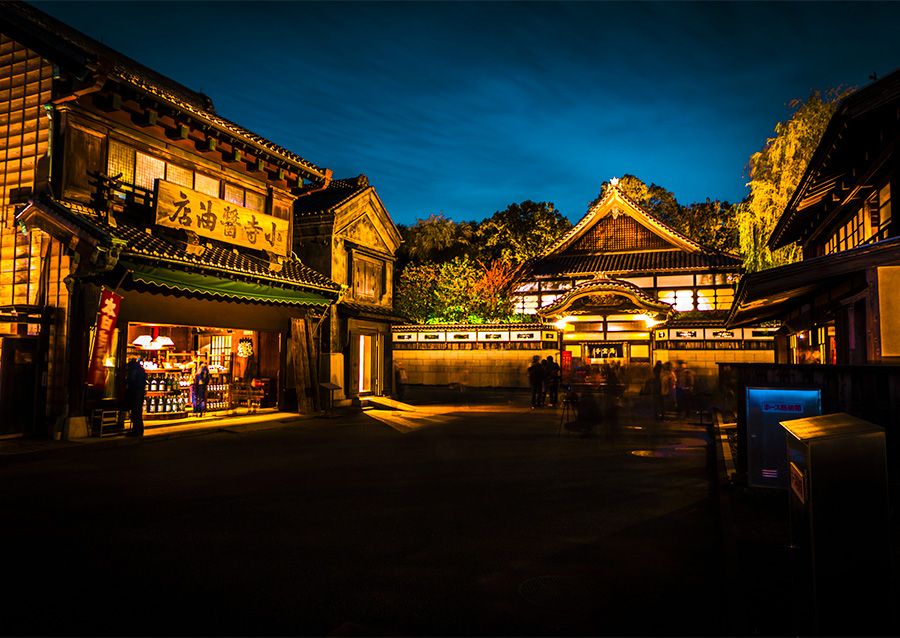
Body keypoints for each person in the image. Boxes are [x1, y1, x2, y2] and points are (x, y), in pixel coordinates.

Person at [123, 357, 147, 437]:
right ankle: (139, 430)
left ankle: (136, 431)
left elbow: (131, 381)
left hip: (135, 393)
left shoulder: (135, 371)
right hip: (139, 393)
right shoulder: (141, 370)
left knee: (135, 412)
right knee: (137, 413)